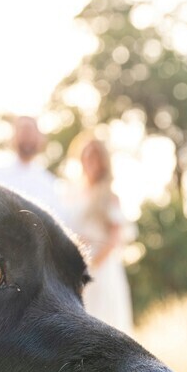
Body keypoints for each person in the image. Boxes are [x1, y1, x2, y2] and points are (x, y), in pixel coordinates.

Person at [63, 135, 135, 334]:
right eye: (86, 157)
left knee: (102, 322)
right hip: (74, 267)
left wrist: (92, 264)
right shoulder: (71, 193)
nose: (90, 163)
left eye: (95, 158)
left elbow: (114, 238)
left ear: (103, 162)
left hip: (100, 269)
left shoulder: (109, 196)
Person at [0, 116, 68, 224]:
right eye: (23, 131)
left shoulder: (50, 183)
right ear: (13, 136)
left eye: (31, 132)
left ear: (40, 138)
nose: (27, 137)